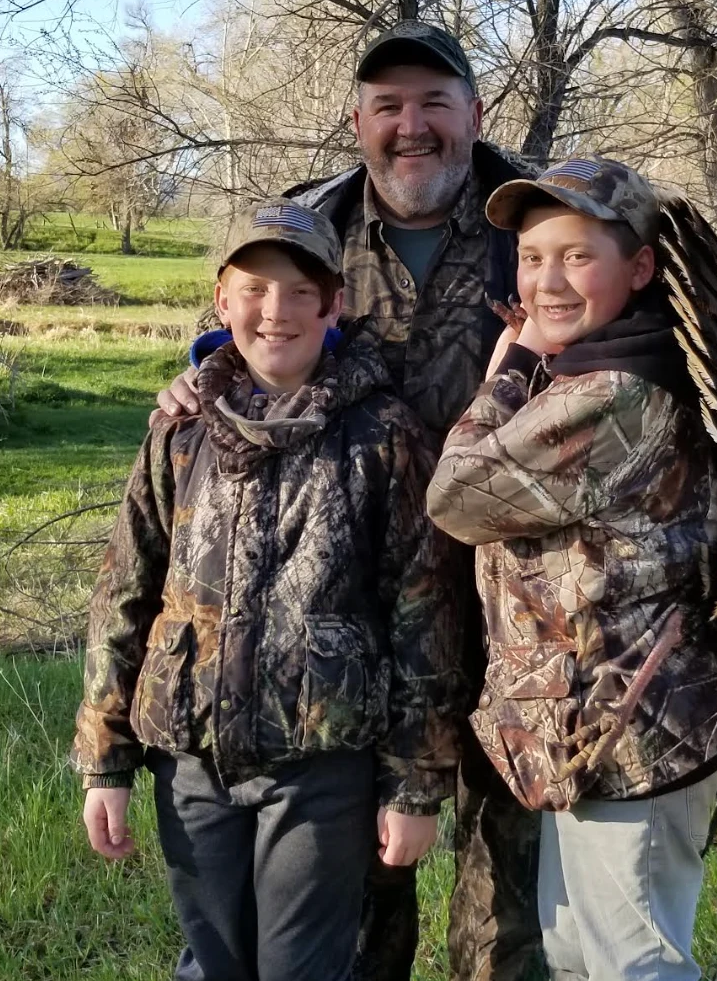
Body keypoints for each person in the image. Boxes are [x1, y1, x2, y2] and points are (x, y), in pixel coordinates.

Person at [153, 21, 545, 981]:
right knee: (358, 898)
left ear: (475, 113)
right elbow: (254, 334)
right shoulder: (315, 222)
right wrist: (198, 378)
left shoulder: (534, 227)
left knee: (510, 895)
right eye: (388, 107)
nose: (412, 127)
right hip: (349, 617)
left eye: (434, 103)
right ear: (357, 120)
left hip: (514, 601)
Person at [74, 198, 466, 981]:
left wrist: (415, 785)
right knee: (212, 965)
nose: (274, 311)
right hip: (190, 758)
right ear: (222, 300)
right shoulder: (180, 430)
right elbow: (126, 593)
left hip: (321, 770)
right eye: (253, 288)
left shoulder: (384, 436)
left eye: (298, 291)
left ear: (334, 305)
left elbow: (425, 617)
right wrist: (106, 760)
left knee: (302, 970)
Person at [426, 156, 717, 981]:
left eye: (577, 256)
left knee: (636, 963)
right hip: (594, 732)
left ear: (639, 267)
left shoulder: (615, 390)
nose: (547, 280)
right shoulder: (613, 364)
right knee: (578, 956)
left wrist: (509, 371)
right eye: (532, 258)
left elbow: (458, 498)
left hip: (635, 729)